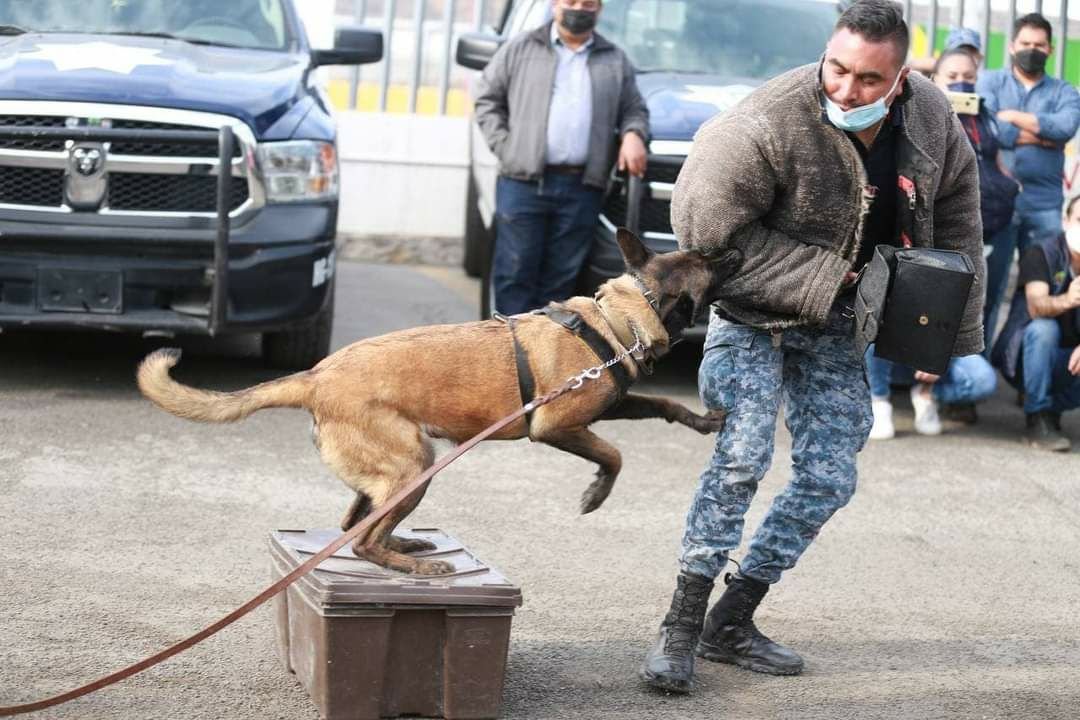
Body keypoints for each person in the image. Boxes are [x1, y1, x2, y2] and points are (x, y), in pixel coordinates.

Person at [640, 0, 984, 694]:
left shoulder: (930, 116)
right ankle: (680, 624)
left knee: (830, 475)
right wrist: (828, 276)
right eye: (837, 69)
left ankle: (732, 619)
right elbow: (705, 234)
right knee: (742, 456)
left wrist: (952, 329)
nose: (847, 90)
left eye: (868, 79)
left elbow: (957, 211)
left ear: (901, 77)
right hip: (753, 311)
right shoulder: (763, 122)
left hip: (838, 320)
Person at [867, 48, 1010, 437]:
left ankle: (926, 393)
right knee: (877, 314)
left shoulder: (985, 123)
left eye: (968, 77)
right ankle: (879, 397)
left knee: (978, 376)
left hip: (957, 256)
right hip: (903, 256)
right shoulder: (907, 122)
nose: (961, 84)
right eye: (952, 77)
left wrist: (942, 346)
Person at [473, 0, 649, 316]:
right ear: (555, 5)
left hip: (582, 188)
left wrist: (633, 134)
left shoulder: (614, 58)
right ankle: (510, 344)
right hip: (523, 184)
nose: (578, 9)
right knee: (515, 272)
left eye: (588, 3)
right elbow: (487, 99)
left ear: (599, 9)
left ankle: (547, 345)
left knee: (561, 280)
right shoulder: (521, 48)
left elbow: (634, 108)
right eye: (571, 2)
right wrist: (507, 148)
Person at [977, 13, 1080, 353]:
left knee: (1042, 289)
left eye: (1039, 44)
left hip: (1044, 206)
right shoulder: (990, 81)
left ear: (1050, 49)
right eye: (1025, 43)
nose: (1031, 50)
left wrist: (1011, 118)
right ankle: (981, 362)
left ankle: (1018, 361)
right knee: (990, 290)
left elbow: (1065, 128)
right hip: (998, 204)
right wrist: (1042, 135)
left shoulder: (1064, 90)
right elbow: (990, 128)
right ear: (1011, 46)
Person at [991, 194, 1080, 451]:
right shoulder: (1043, 253)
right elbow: (1036, 306)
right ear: (1065, 221)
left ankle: (1050, 410)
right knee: (1043, 329)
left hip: (1067, 363)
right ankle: (1037, 416)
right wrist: (1068, 299)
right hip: (1023, 357)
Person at [908, 25, 983, 76]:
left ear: (979, 56)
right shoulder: (941, 74)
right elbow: (912, 65)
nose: (964, 56)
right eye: (958, 52)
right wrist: (942, 66)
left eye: (970, 51)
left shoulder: (984, 81)